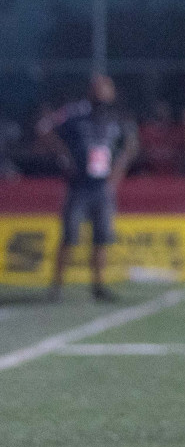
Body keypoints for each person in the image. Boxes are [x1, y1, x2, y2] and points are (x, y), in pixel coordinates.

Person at [38, 74, 138, 302]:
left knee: (102, 237)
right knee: (70, 236)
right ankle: (57, 286)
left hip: (103, 187)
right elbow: (45, 129)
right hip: (79, 186)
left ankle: (99, 285)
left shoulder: (116, 117)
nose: (103, 94)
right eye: (100, 89)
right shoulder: (75, 113)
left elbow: (131, 145)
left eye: (107, 89)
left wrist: (117, 174)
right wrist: (63, 156)